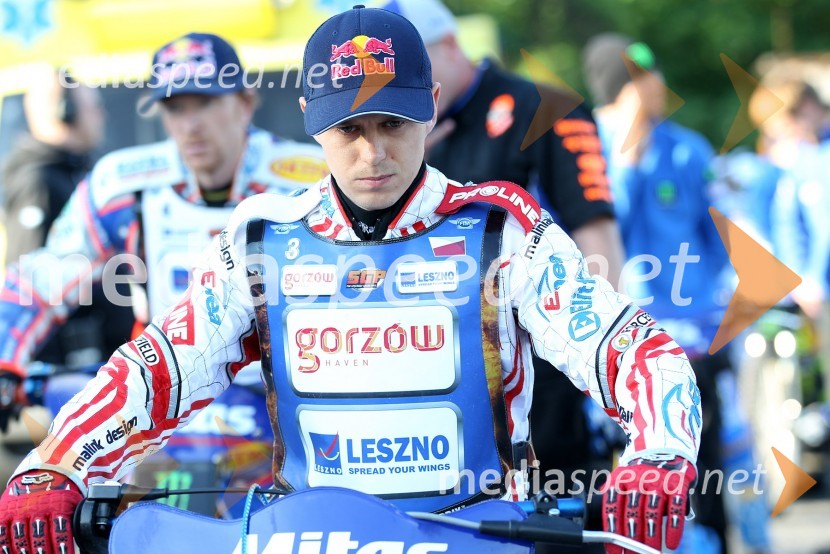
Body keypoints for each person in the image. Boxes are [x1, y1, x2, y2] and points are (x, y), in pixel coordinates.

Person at [0, 8, 700, 554]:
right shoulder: (260, 238)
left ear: (430, 103)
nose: (372, 152)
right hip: (295, 535)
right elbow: (159, 370)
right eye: (348, 127)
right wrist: (53, 466)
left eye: (393, 122)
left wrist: (659, 453)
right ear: (310, 119)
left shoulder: (500, 228)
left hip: (478, 535)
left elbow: (636, 351)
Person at [0, 33, 327, 435]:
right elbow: (46, 273)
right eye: (174, 107)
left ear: (245, 103)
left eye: (205, 103)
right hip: (163, 405)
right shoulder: (122, 183)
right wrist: (4, 360)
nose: (190, 125)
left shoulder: (310, 178)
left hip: (286, 405)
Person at [381, 1, 627, 528]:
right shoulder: (397, 137)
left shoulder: (547, 108)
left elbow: (599, 240)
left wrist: (604, 373)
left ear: (448, 44)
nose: (400, 97)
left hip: (547, 377)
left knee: (559, 525)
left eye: (413, 74)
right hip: (437, 384)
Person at [583, 33, 736, 553]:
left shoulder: (687, 149)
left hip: (692, 339)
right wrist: (626, 159)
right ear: (619, 87)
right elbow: (596, 231)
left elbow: (720, 241)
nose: (659, 85)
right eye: (644, 76)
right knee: (625, 463)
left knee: (704, 460)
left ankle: (710, 537)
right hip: (616, 340)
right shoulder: (584, 147)